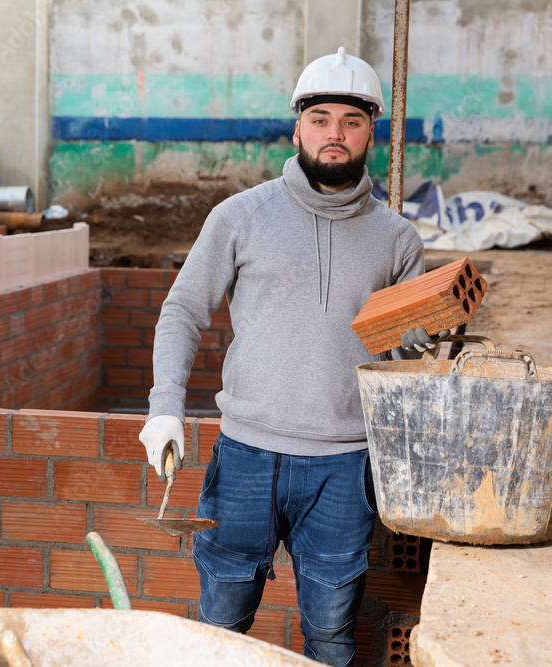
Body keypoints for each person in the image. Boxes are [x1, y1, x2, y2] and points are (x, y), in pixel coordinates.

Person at [138, 47, 442, 666]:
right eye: (322, 118)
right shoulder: (241, 217)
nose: (336, 134)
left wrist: (430, 335)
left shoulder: (398, 239)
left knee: (330, 634)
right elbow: (183, 311)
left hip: (345, 465)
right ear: (298, 125)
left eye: (352, 122)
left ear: (370, 133)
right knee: (220, 628)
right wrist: (164, 406)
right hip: (246, 455)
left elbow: (409, 355)